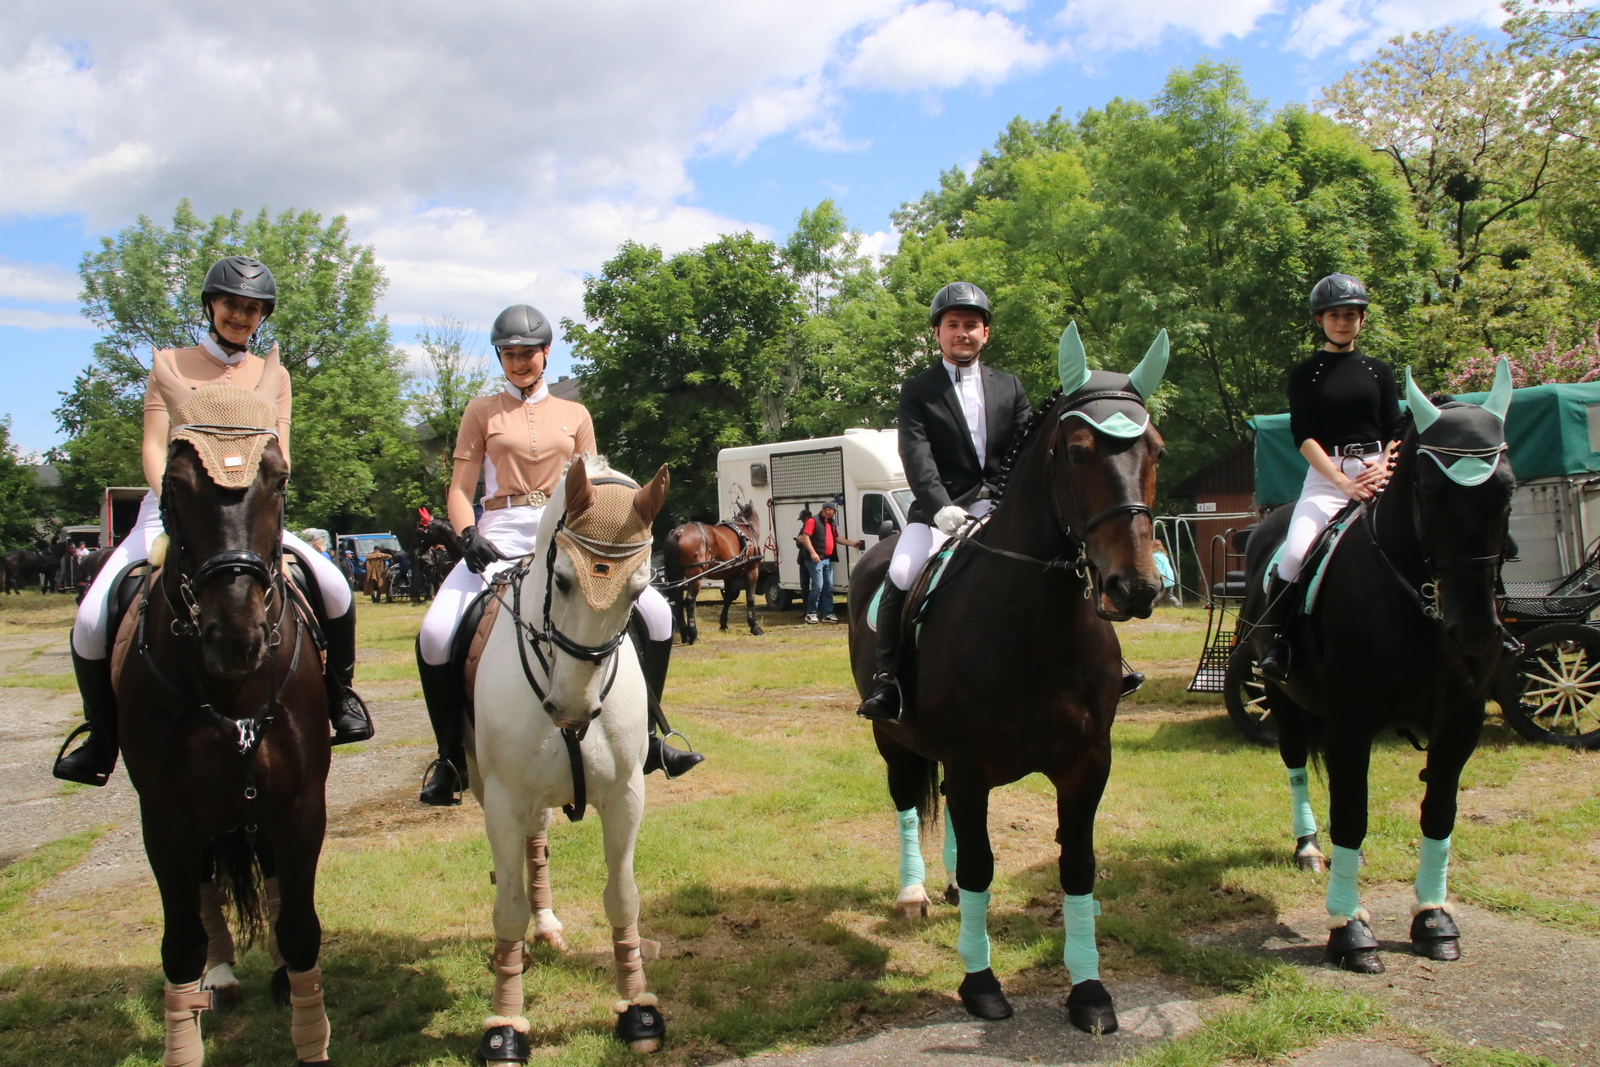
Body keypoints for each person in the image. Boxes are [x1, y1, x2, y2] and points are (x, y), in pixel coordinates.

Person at [53, 255, 373, 787]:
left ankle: (340, 700)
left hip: (250, 514)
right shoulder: (172, 366)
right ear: (211, 305)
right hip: (176, 510)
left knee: (335, 586)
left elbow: (280, 454)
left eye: (252, 309)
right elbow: (155, 447)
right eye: (232, 304)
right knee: (92, 618)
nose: (241, 316)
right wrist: (174, 503)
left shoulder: (275, 376)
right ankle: (102, 736)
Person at [414, 303, 695, 806]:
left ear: (546, 353)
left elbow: (598, 480)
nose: (519, 362)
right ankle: (450, 757)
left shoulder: (575, 414)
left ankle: (651, 739)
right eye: (509, 354)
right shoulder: (481, 411)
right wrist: (466, 532)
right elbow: (459, 488)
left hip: (567, 532)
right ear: (500, 358)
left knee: (656, 614)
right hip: (499, 531)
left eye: (528, 353)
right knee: (436, 633)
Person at [857, 282, 1032, 721]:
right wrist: (939, 505)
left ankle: (1103, 664)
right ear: (937, 333)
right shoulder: (918, 389)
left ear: (985, 333)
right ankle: (889, 681)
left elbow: (1024, 452)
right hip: (940, 512)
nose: (963, 332)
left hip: (1002, 508)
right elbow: (915, 454)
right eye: (953, 324)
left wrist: (1010, 501)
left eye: (971, 325)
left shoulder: (1010, 387)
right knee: (901, 571)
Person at [1257, 273, 1400, 684]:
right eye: (1335, 315)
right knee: (1295, 554)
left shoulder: (1379, 371)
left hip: (1379, 473)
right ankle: (1280, 642)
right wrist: (1342, 483)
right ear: (1320, 320)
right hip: (1326, 478)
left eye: (1351, 316)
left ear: (1362, 321)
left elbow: (1395, 427)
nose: (1343, 322)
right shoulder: (1305, 374)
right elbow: (1303, 436)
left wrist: (1386, 463)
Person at [798, 502, 862, 623]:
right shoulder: (813, 521)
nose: (834, 513)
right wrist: (813, 553)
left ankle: (828, 613)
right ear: (827, 510)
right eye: (834, 510)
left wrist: (852, 543)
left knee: (828, 587)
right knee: (818, 586)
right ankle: (811, 613)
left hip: (827, 559)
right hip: (815, 560)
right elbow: (805, 537)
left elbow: (837, 538)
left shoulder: (831, 523)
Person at [795, 507, 813, 612]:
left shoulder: (813, 526)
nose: (802, 521)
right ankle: (805, 609)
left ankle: (813, 609)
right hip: (802, 559)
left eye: (803, 519)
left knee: (816, 586)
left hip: (811, 559)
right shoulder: (803, 528)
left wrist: (805, 541)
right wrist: (798, 542)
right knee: (804, 586)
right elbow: (799, 544)